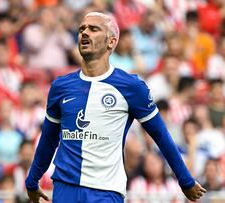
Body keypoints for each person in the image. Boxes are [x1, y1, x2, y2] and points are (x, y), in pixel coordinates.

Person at [25, 12, 206, 203]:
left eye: (93, 29)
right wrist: (32, 180)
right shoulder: (61, 86)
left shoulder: (131, 87)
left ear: (111, 42)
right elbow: (48, 138)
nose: (85, 33)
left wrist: (185, 180)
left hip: (106, 191)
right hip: (65, 188)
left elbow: (160, 135)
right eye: (81, 29)